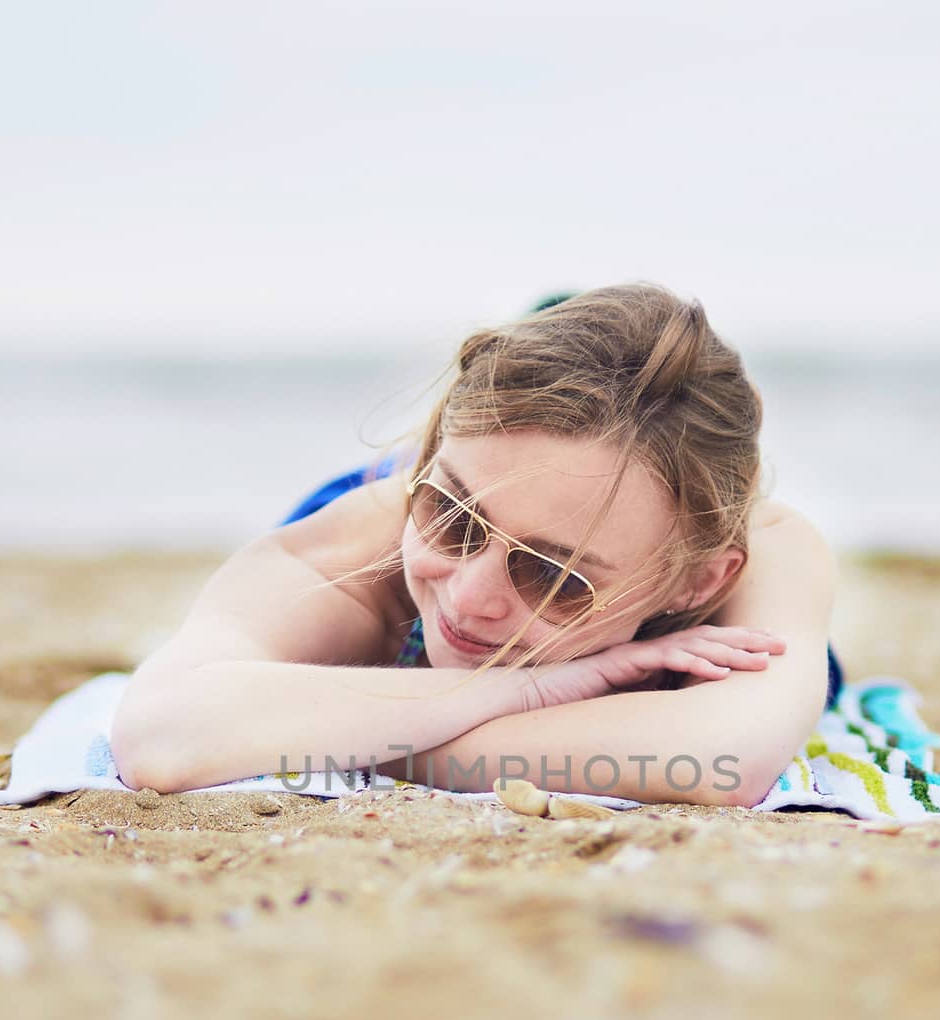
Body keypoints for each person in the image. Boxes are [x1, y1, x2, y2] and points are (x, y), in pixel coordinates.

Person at [110, 283, 840, 808]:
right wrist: (524, 688)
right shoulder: (360, 543)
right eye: (454, 518)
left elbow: (716, 760)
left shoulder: (761, 550)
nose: (468, 597)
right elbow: (162, 737)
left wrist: (310, 727)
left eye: (555, 578)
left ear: (697, 585)